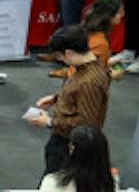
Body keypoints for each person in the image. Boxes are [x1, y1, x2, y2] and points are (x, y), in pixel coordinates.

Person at [32, 25, 110, 175]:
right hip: (64, 139)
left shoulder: (89, 81)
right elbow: (80, 96)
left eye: (60, 57)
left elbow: (86, 122)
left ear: (68, 53)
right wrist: (57, 98)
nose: (61, 61)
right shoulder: (87, 69)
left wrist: (49, 122)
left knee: (55, 185)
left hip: (68, 145)